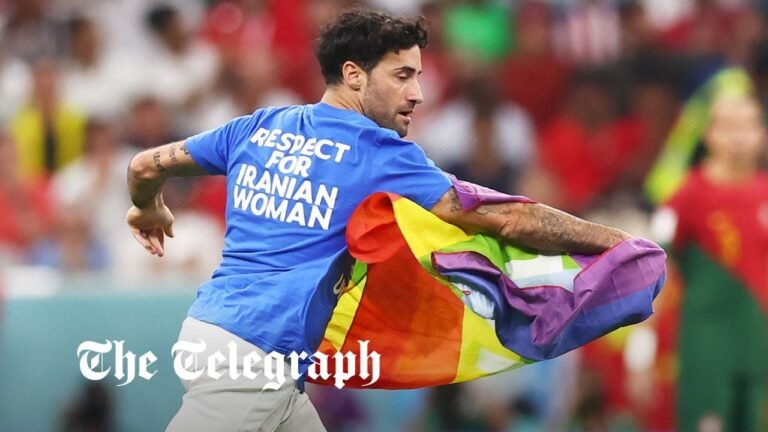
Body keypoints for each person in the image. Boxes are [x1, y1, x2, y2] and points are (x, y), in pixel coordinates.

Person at [125, 10, 631, 432]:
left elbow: (144, 165)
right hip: (252, 356)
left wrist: (147, 206)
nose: (418, 93)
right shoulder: (379, 152)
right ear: (353, 75)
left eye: (418, 75)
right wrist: (614, 242)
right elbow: (507, 220)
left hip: (228, 336)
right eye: (402, 75)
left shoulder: (260, 126)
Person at [652, 95, 768, 432]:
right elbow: (651, 272)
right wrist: (641, 353)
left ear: (762, 133)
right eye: (730, 127)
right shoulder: (686, 196)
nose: (740, 137)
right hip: (707, 352)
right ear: (710, 135)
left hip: (758, 349)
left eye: (749, 126)